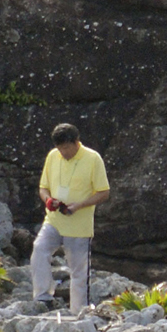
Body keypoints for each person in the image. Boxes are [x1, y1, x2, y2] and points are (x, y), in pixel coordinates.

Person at [30, 123, 110, 312]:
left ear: (76, 142)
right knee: (39, 250)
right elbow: (43, 187)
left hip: (79, 226)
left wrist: (79, 205)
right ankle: (43, 298)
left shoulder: (93, 158)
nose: (63, 152)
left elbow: (104, 192)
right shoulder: (52, 156)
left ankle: (78, 311)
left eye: (66, 148)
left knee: (78, 270)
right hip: (54, 220)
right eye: (59, 148)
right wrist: (48, 200)